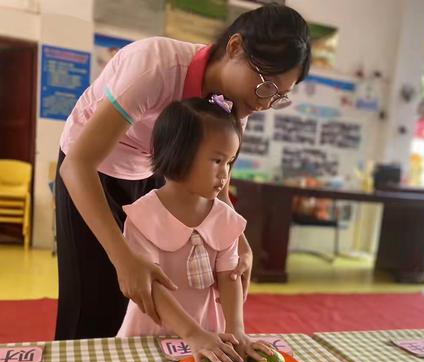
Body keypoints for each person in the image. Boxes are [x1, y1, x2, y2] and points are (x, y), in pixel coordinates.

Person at [55, 3, 311, 340]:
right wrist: (123, 257)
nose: (265, 102)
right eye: (266, 86)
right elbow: (77, 164)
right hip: (90, 169)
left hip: (152, 171)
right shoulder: (156, 65)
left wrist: (237, 240)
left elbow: (216, 184)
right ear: (235, 47)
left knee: (143, 295)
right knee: (91, 300)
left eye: (279, 96)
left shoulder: (236, 101)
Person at [117, 95, 271, 362]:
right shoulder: (143, 216)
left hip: (208, 334)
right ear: (179, 153)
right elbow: (151, 287)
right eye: (216, 161)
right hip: (150, 334)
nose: (224, 174)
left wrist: (236, 330)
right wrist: (192, 334)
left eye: (229, 162)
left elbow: (230, 276)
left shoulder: (225, 217)